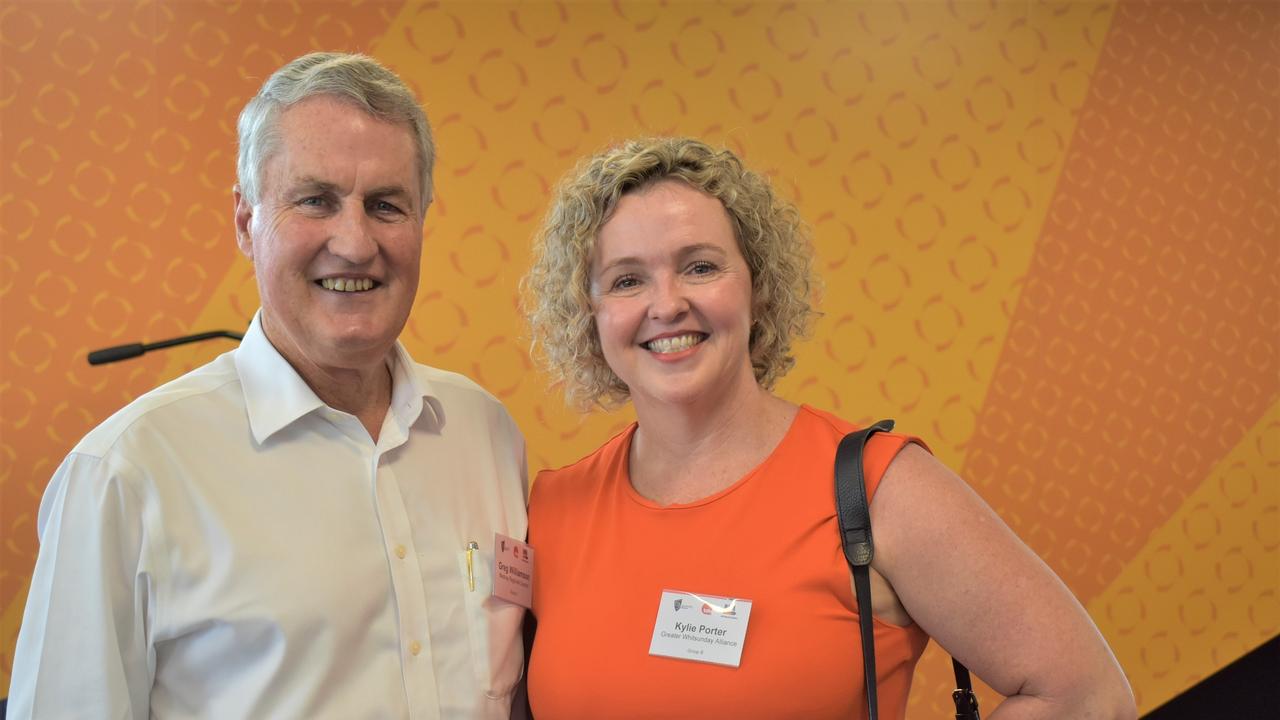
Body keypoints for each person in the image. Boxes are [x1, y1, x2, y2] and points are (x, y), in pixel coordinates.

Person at [521, 137, 1137, 719]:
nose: (667, 303)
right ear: (590, 314)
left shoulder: (873, 489)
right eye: (628, 280)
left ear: (757, 287)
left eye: (701, 267)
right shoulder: (554, 509)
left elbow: (1087, 696)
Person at [9, 53, 528, 719]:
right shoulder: (127, 474)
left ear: (422, 221)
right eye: (315, 200)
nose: (355, 242)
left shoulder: (485, 434)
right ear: (245, 223)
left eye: (386, 205)